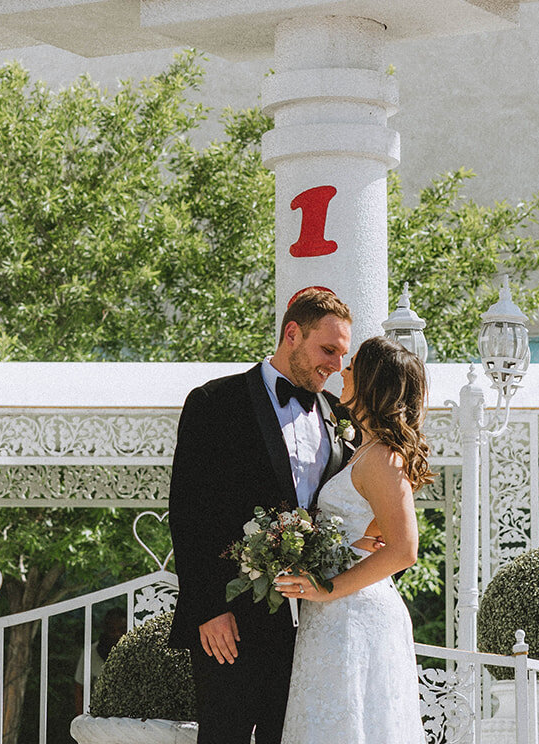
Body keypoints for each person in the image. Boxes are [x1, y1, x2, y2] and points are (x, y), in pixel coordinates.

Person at [168, 287, 354, 744]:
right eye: (327, 350)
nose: (335, 365)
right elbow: (188, 512)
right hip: (230, 620)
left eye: (342, 355)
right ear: (292, 333)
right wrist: (209, 608)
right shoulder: (214, 402)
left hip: (314, 627)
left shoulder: (338, 415)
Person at [274, 333, 432, 744]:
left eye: (353, 365)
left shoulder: (382, 457)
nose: (343, 370)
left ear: (370, 381)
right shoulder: (365, 449)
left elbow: (404, 549)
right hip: (335, 613)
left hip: (353, 612)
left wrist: (327, 589)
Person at [74, 605, 126, 713]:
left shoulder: (136, 651)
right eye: (112, 630)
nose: (117, 634)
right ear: (105, 629)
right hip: (99, 717)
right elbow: (80, 689)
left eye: (121, 629)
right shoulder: (90, 652)